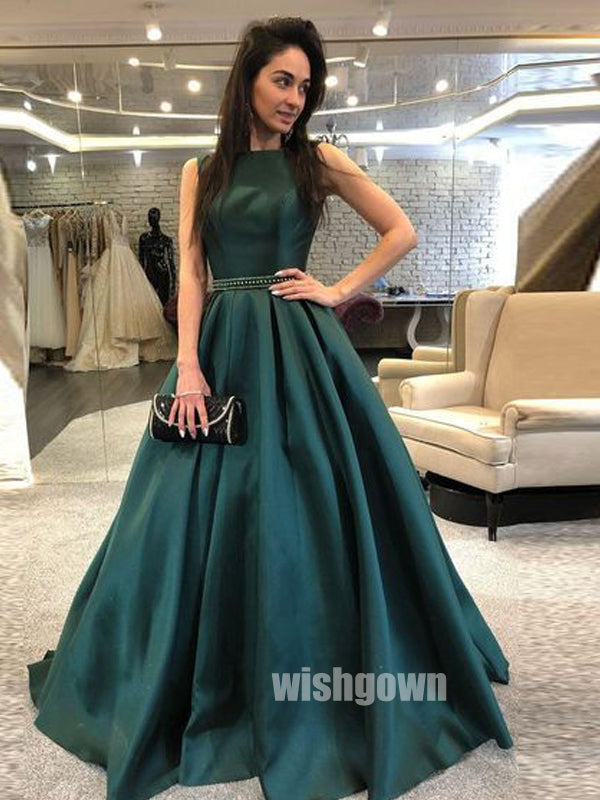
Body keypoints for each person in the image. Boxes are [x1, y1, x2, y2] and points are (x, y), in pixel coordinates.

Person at [27, 16, 513, 800]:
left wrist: (336, 288)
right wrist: (187, 364)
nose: (295, 97)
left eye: (306, 86)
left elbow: (400, 230)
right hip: (222, 345)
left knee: (319, 499)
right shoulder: (202, 170)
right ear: (247, 78)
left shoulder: (315, 160)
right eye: (282, 80)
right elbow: (192, 271)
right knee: (173, 511)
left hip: (299, 345)